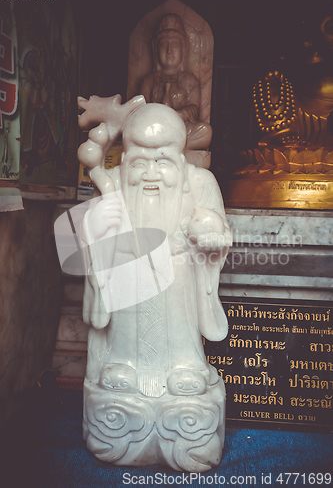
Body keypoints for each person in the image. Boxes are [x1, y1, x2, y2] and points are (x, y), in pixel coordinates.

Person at [79, 101, 231, 470]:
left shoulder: (200, 182)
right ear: (124, 159)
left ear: (180, 160)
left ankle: (184, 367)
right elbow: (94, 229)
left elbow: (214, 222)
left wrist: (208, 232)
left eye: (162, 161)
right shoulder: (112, 184)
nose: (151, 173)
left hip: (179, 272)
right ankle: (122, 364)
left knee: (181, 339)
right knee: (123, 327)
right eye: (139, 162)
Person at [140, 13, 212, 152]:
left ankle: (170, 148)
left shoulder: (190, 81)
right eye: (163, 45)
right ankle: (174, 149)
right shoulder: (148, 81)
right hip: (154, 130)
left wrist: (181, 114)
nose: (169, 51)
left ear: (183, 50)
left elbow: (194, 108)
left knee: (205, 131)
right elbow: (140, 111)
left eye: (175, 45)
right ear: (156, 51)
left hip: (181, 129)